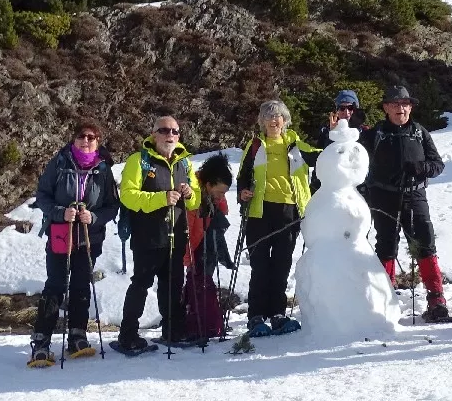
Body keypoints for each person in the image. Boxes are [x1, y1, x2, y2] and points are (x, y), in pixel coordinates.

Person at [359, 85, 452, 323]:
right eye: (395, 104)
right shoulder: (376, 134)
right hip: (383, 197)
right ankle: (385, 299)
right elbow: (354, 159)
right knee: (386, 246)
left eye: (404, 104)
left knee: (424, 244)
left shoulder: (420, 132)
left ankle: (436, 300)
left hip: (415, 196)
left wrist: (422, 168)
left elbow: (438, 165)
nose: (400, 108)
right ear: (386, 108)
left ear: (410, 107)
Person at [30, 119, 120, 365]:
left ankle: (77, 335)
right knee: (56, 285)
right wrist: (60, 213)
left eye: (91, 137)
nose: (86, 140)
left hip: (90, 237)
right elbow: (42, 196)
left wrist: (94, 217)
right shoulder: (59, 162)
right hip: (61, 234)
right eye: (81, 136)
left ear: (98, 142)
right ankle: (41, 341)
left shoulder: (104, 169)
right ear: (73, 139)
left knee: (81, 285)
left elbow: (112, 206)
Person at [236, 99, 322, 337]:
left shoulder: (295, 145)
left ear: (285, 120)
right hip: (259, 212)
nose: (273, 121)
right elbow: (242, 176)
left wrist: (336, 135)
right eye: (268, 116)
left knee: (282, 264)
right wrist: (243, 192)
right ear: (262, 122)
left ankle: (277, 314)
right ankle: (256, 316)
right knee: (260, 265)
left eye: (278, 116)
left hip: (288, 211)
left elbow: (321, 158)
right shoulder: (255, 146)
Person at [117, 114, 201, 351]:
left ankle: (174, 331)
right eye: (164, 130)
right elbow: (127, 196)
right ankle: (128, 335)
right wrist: (161, 199)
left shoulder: (185, 163)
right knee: (141, 284)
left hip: (177, 234)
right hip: (148, 235)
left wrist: (189, 194)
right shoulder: (139, 160)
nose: (170, 135)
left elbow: (195, 201)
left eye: (175, 131)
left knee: (173, 285)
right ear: (153, 135)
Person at [183, 154, 235, 344]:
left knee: (202, 282)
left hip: (206, 243)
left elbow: (223, 211)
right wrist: (188, 257)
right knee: (198, 282)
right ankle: (200, 325)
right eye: (219, 192)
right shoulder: (193, 193)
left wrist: (218, 202)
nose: (221, 196)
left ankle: (206, 324)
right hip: (193, 244)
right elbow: (188, 229)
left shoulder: (212, 195)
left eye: (224, 193)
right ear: (208, 183)